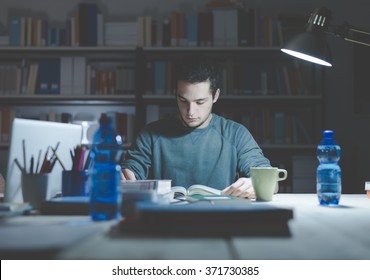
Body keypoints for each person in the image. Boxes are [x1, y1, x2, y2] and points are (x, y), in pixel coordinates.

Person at [120, 55, 271, 198]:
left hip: (220, 220)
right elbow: (131, 169)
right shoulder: (151, 135)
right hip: (166, 221)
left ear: (216, 96)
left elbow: (270, 180)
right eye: (183, 100)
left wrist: (256, 183)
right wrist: (126, 176)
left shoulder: (236, 134)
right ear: (176, 94)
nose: (190, 112)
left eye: (200, 102)